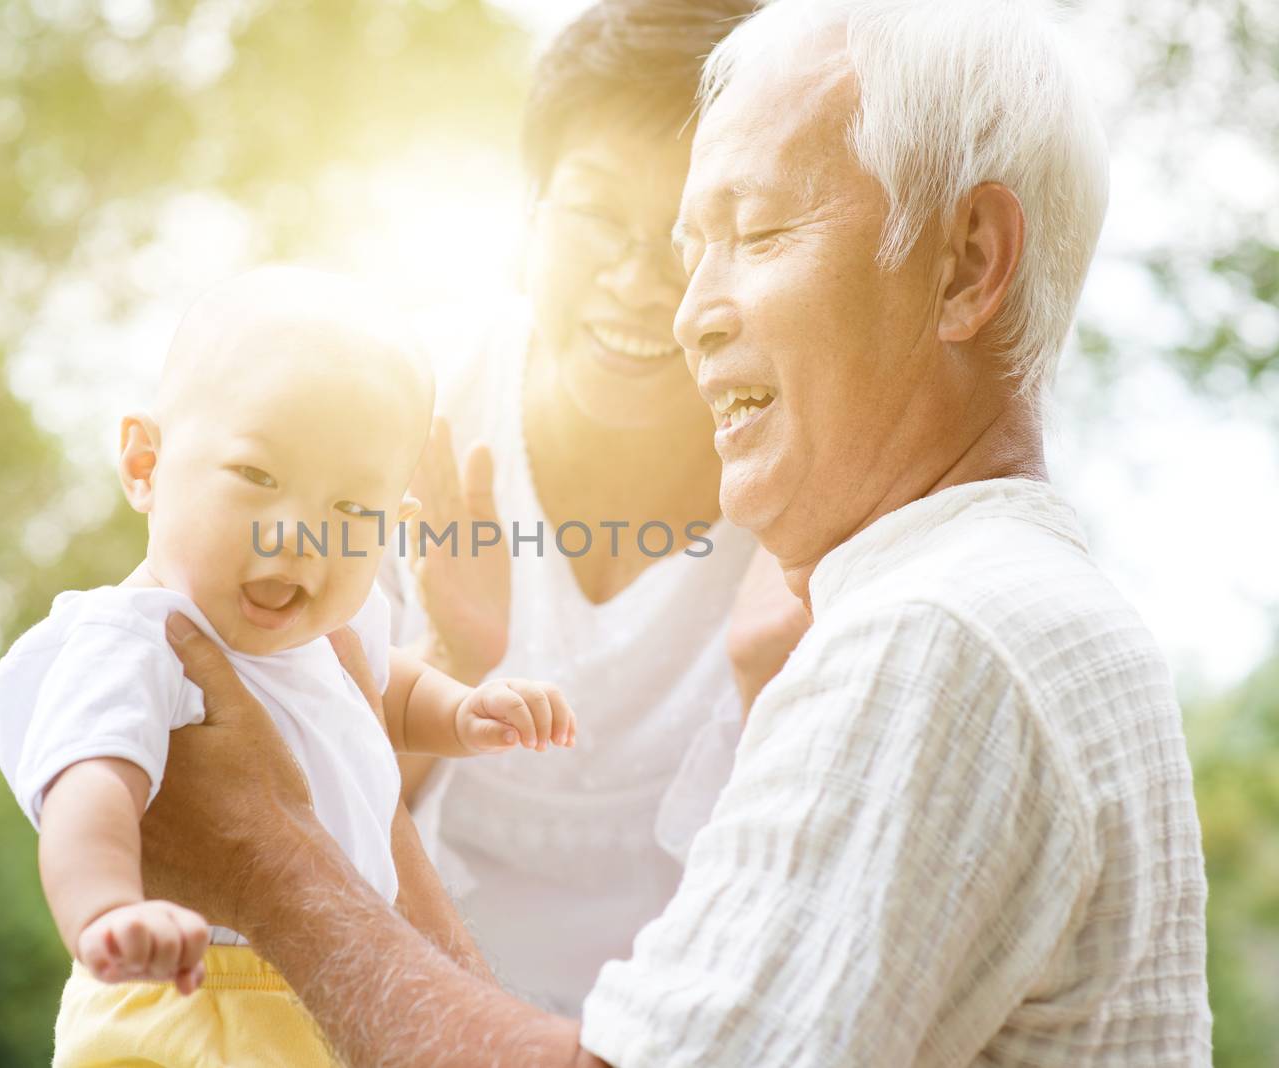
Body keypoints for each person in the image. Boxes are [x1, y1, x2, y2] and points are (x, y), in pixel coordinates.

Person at [138, 1, 1213, 1065]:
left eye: (753, 235)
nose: (685, 308)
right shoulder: (987, 602)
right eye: (693, 247)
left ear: (966, 263)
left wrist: (270, 868)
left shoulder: (935, 639)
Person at [0, 269, 576, 1068]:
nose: (297, 532)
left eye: (350, 510)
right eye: (258, 477)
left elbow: (381, 693)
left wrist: (462, 711)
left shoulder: (334, 628)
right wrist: (107, 913)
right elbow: (88, 788)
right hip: (191, 1003)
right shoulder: (134, 640)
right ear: (145, 463)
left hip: (332, 991)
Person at [383, 0, 783, 1014]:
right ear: (527, 218)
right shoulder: (398, 408)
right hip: (389, 1002)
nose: (641, 282)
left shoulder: (807, 483)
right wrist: (448, 663)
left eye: (696, 235)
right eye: (597, 214)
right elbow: (299, 808)